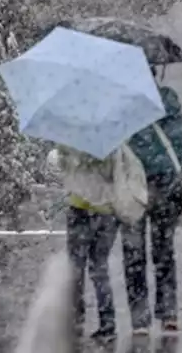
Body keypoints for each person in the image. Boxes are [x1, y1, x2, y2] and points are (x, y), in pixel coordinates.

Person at [122, 71, 182, 335]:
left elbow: (115, 147)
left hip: (133, 188)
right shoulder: (168, 101)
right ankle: (168, 312)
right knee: (164, 252)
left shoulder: (124, 105)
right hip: (165, 185)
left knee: (133, 253)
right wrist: (164, 166)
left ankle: (140, 318)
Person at [58, 146, 120, 343]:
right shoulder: (113, 139)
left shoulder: (72, 139)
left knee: (76, 268)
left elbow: (63, 166)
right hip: (107, 210)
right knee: (99, 268)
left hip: (80, 209)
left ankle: (76, 321)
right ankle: (108, 322)